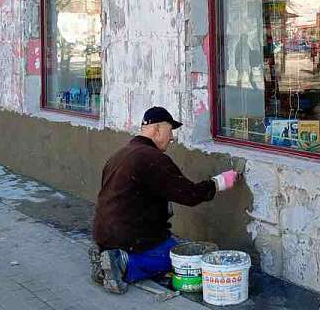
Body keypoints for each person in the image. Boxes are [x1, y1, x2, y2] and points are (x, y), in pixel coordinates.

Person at [89, 107, 240, 294]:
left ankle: (108, 256)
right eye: (170, 131)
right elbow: (189, 194)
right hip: (127, 236)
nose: (172, 138)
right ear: (157, 129)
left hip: (104, 233)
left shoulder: (120, 155)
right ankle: (121, 262)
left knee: (169, 244)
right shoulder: (152, 158)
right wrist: (219, 182)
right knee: (178, 259)